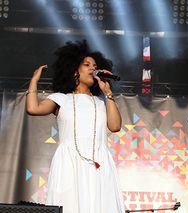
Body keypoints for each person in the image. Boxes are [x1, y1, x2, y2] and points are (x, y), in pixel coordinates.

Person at [26, 40, 125, 213]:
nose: (92, 69)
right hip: (69, 162)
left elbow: (115, 126)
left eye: (95, 66)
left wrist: (107, 92)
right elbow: (33, 109)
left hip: (99, 163)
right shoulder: (61, 99)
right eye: (86, 65)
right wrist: (34, 80)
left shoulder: (102, 101)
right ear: (73, 71)